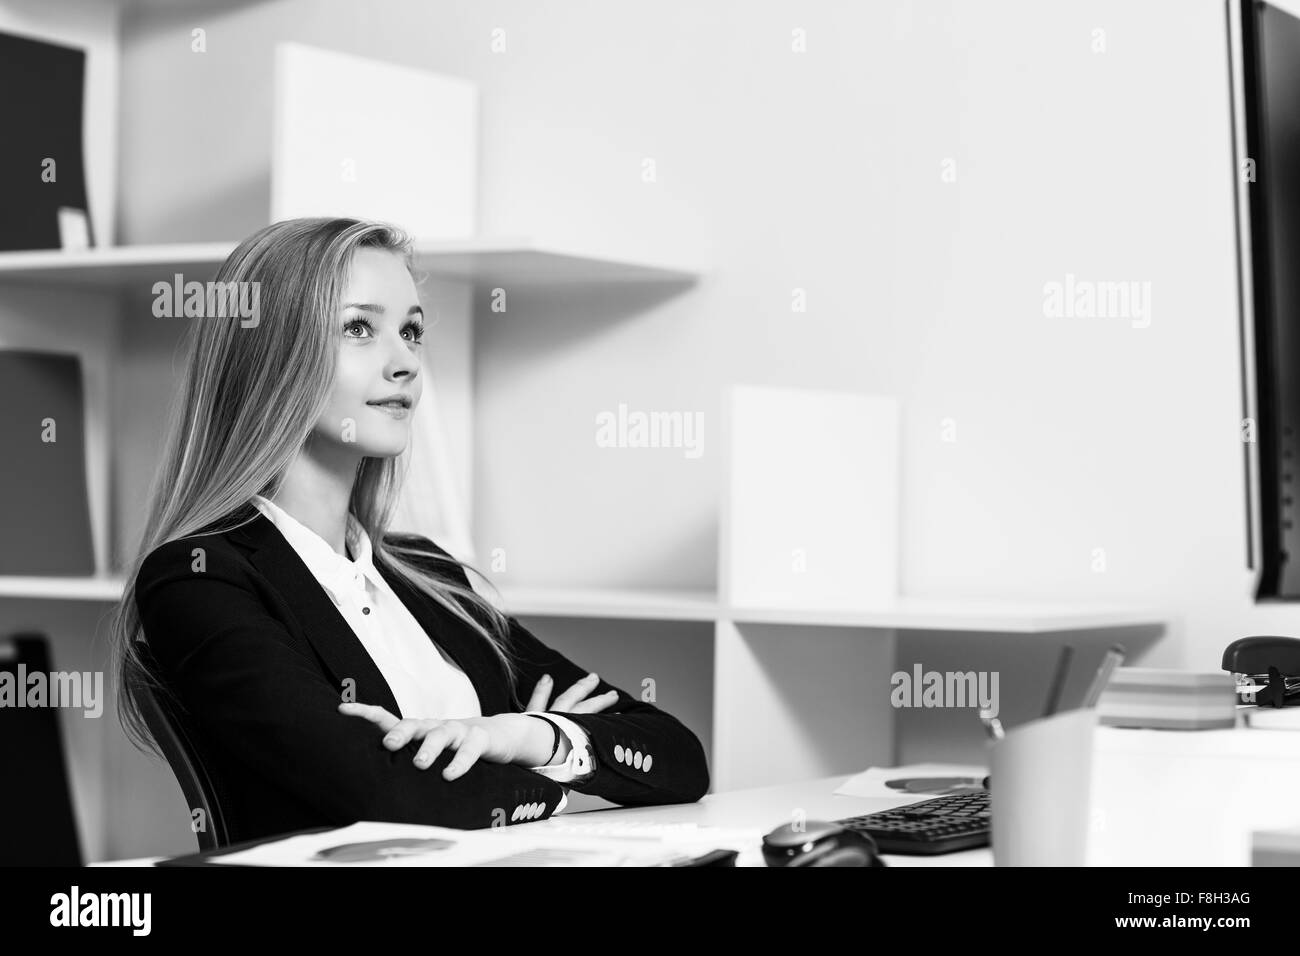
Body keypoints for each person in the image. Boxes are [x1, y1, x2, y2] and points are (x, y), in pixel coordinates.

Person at [110, 217, 710, 844]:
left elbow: (677, 757)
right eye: (359, 328)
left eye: (412, 331)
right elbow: (384, 793)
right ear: (269, 355)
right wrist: (556, 775)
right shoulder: (199, 577)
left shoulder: (427, 575)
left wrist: (521, 734)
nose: (405, 364)